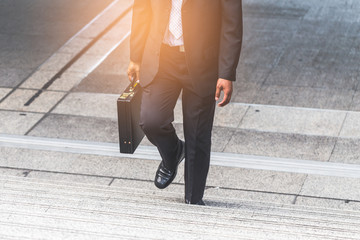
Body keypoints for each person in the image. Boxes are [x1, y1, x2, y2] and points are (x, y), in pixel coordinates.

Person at [127, 0, 243, 205]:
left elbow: (231, 24)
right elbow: (142, 8)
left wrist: (226, 72)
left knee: (197, 135)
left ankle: (194, 200)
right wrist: (136, 57)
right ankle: (173, 152)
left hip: (202, 62)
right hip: (161, 59)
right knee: (151, 120)